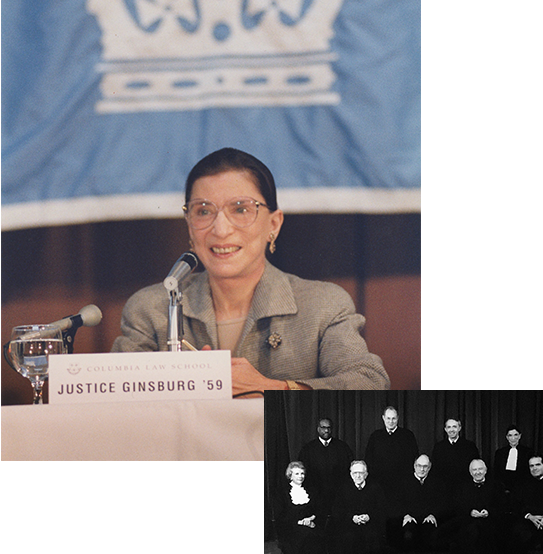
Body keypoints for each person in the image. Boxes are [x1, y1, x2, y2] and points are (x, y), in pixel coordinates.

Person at [112, 147, 390, 395]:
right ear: (189, 224)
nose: (220, 229)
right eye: (204, 211)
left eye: (241, 209)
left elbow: (369, 383)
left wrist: (272, 389)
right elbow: (114, 400)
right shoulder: (152, 309)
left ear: (274, 224)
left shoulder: (321, 305)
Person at [449, 459, 505, 554]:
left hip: (490, 520)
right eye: (474, 470)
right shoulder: (463, 487)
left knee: (486, 532)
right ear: (470, 472)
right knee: (472, 532)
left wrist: (489, 512)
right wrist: (470, 512)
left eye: (480, 469)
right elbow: (457, 507)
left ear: (485, 470)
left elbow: (501, 506)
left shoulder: (495, 486)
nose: (478, 472)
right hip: (469, 521)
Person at [331, 460, 387, 554]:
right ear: (351, 474)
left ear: (366, 474)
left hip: (371, 523)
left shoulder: (375, 487)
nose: (358, 476)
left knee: (372, 536)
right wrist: (352, 517)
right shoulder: (343, 488)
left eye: (361, 473)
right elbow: (337, 511)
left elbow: (382, 508)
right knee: (350, 537)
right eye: (355, 473)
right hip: (349, 524)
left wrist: (369, 516)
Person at [274, 461, 322, 554]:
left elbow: (318, 509)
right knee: (307, 536)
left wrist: (311, 519)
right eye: (296, 474)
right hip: (289, 528)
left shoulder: (310, 490)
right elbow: (281, 516)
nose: (300, 476)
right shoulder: (282, 492)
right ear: (290, 475)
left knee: (318, 535)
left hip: (309, 524)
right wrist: (301, 522)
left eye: (302, 473)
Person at [298, 418, 353, 512]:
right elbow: (302, 471)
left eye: (329, 427)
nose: (326, 430)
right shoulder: (308, 449)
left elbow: (350, 470)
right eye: (323, 427)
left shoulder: (342, 447)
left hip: (338, 494)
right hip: (315, 494)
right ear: (318, 429)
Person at [364, 406, 418, 500]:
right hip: (380, 483)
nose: (391, 421)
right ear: (383, 418)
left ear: (398, 418)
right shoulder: (375, 436)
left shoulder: (408, 435)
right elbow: (368, 459)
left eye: (393, 418)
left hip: (402, 483)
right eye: (388, 418)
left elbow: (414, 459)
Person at [431, 418, 479, 492]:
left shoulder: (469, 446)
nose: (451, 430)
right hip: (444, 489)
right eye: (449, 427)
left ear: (459, 428)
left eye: (454, 427)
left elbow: (475, 466)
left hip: (465, 488)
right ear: (445, 429)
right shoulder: (438, 447)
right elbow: (435, 469)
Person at [493, 425, 533, 494]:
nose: (513, 438)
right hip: (503, 488)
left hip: (522, 488)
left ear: (520, 436)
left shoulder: (527, 452)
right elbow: (496, 472)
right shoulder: (500, 452)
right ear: (507, 437)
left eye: (516, 435)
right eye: (510, 435)